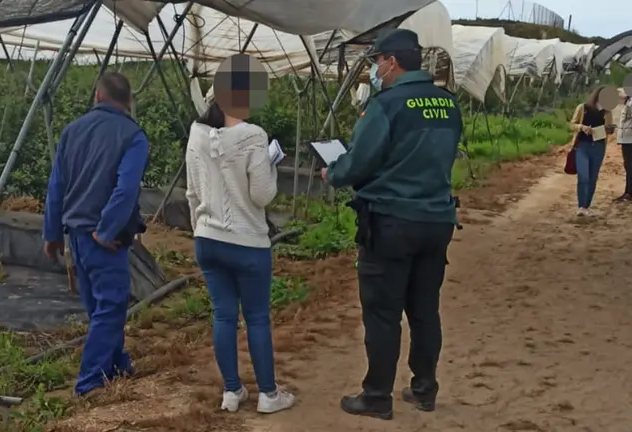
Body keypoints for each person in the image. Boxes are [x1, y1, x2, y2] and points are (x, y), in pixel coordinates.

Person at [320, 28, 462, 420]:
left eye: (377, 61)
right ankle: (424, 389)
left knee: (383, 312)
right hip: (436, 219)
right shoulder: (448, 104)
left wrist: (332, 173)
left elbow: (359, 163)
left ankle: (377, 396)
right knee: (424, 309)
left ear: (392, 61)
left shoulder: (386, 105)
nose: (375, 69)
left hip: (391, 221)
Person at [185, 100, 295, 414]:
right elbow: (262, 194)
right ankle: (268, 395)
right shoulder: (254, 136)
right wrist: (271, 166)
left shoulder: (197, 134)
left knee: (223, 315)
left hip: (207, 238)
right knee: (257, 317)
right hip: (247, 241)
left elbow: (193, 191)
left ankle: (232, 391)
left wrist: (200, 228)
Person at [42, 72, 148, 397]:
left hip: (76, 235)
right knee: (111, 305)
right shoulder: (133, 136)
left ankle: (117, 363)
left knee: (99, 308)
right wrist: (106, 230)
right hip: (104, 240)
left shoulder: (71, 132)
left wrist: (52, 233)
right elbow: (126, 189)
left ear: (98, 96)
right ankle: (89, 383)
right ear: (127, 101)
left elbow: (56, 186)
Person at [570, 85, 615, 216]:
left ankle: (586, 205)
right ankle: (581, 205)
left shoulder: (607, 112)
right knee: (583, 175)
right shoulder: (582, 108)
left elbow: (609, 130)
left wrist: (607, 129)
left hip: (598, 146)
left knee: (593, 177)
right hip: (582, 145)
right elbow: (572, 124)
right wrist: (581, 127)